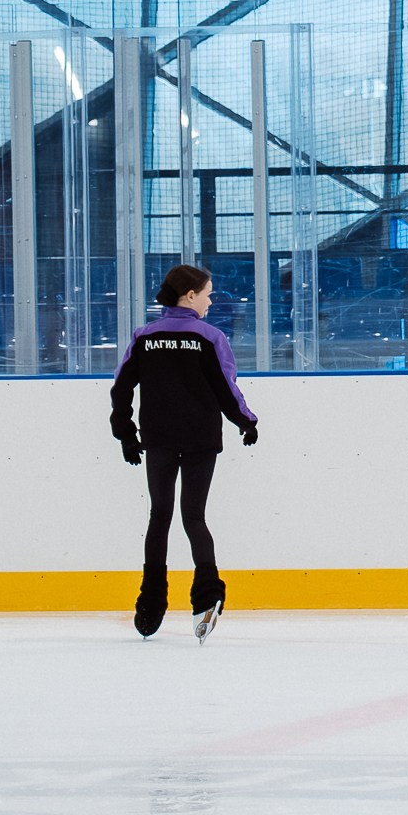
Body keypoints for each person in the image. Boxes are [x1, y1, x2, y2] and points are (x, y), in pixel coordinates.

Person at [110, 264, 259, 641]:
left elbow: (121, 389)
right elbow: (227, 388)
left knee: (159, 517)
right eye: (208, 294)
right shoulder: (210, 338)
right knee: (193, 516)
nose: (210, 301)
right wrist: (246, 420)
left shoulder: (145, 337)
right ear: (189, 296)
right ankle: (207, 595)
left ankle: (150, 604)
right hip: (200, 439)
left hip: (159, 438)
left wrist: (126, 433)